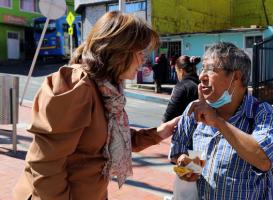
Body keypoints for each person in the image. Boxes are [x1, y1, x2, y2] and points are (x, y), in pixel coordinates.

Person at [13, 11, 179, 200]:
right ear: (118, 51)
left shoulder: (107, 89)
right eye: (140, 52)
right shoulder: (78, 86)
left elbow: (110, 138)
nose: (143, 60)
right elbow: (45, 163)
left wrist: (159, 133)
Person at [169, 42, 273, 199]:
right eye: (202, 68)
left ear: (236, 77)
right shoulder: (194, 109)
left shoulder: (263, 114)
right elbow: (178, 149)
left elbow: (264, 160)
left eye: (210, 70)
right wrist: (185, 163)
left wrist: (217, 122)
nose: (202, 76)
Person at [162, 55, 201, 122]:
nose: (177, 75)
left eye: (176, 72)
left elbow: (168, 116)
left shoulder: (181, 87)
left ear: (181, 71)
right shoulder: (201, 84)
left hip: (183, 129)